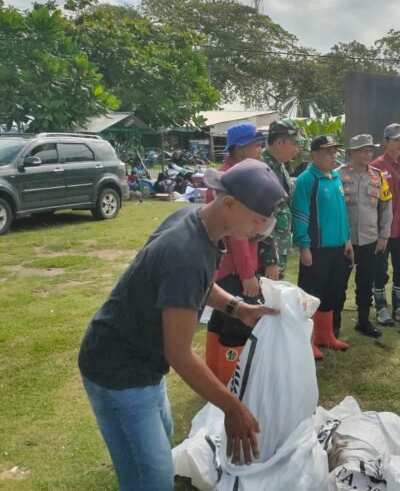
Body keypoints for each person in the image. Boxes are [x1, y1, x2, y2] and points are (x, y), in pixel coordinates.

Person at [78, 160, 287, 491]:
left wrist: (238, 308)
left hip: (144, 366)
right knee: (152, 479)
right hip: (118, 370)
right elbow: (179, 353)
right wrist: (233, 409)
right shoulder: (185, 253)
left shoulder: (200, 225)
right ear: (230, 204)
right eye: (257, 220)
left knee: (158, 453)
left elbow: (196, 286)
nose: (260, 231)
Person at [204, 123, 267, 386]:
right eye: (256, 145)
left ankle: (216, 376)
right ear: (239, 149)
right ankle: (231, 382)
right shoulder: (233, 179)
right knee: (236, 325)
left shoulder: (225, 174)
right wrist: (247, 274)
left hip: (223, 265)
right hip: (233, 266)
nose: (260, 150)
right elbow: (237, 236)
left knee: (219, 321)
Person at [292, 135, 354, 359]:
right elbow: (300, 214)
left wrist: (347, 239)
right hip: (316, 249)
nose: (332, 156)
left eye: (334, 151)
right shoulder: (307, 180)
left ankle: (324, 336)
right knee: (310, 296)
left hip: (337, 248)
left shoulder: (335, 178)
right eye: (327, 152)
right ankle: (304, 341)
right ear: (314, 155)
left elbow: (342, 214)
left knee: (332, 293)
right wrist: (304, 246)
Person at [338, 134, 393, 338]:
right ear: (352, 153)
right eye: (363, 150)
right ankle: (334, 322)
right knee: (339, 283)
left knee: (365, 282)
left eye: (370, 150)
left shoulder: (378, 176)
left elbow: (387, 206)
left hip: (370, 239)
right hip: (345, 241)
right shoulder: (338, 175)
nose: (368, 153)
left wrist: (384, 235)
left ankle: (363, 320)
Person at [372, 123, 400, 327]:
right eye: (395, 139)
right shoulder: (376, 166)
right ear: (385, 141)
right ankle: (380, 308)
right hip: (383, 229)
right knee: (380, 269)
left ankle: (399, 307)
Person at [258, 119, 302, 281]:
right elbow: (263, 217)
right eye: (294, 144)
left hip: (280, 247)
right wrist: (270, 260)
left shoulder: (280, 166)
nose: (297, 149)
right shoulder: (262, 168)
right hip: (266, 253)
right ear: (280, 142)